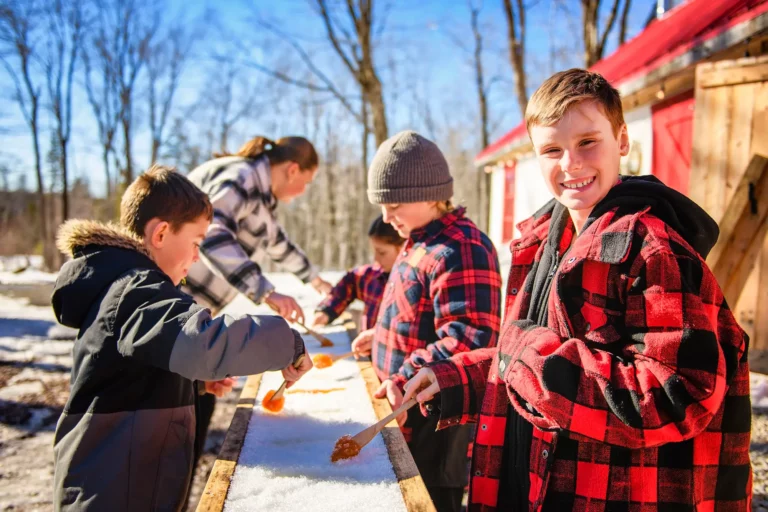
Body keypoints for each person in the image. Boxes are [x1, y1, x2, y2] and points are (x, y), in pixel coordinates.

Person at [403, 69, 752, 511]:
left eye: (588, 141)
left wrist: (528, 353)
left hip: (608, 494)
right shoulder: (544, 239)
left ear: (622, 140)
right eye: (552, 149)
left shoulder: (652, 249)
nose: (570, 163)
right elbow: (528, 357)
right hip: (532, 482)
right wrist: (455, 379)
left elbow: (678, 394)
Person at [51, 165, 312, 511]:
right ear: (160, 234)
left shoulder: (130, 287)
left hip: (129, 484)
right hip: (112, 494)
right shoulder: (137, 290)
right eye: (196, 243)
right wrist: (286, 341)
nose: (195, 257)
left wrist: (193, 386)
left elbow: (132, 378)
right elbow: (199, 342)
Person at [366, 130, 502, 512]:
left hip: (436, 425)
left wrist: (401, 375)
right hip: (404, 412)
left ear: (428, 193)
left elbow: (469, 339)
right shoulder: (420, 240)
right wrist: (379, 335)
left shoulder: (461, 247)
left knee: (430, 502)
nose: (386, 217)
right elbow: (418, 314)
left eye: (393, 204)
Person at [182, 135, 332, 464]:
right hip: (174, 314)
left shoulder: (260, 197)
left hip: (192, 321)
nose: (302, 192)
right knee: (179, 431)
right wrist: (265, 290)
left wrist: (315, 279)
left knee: (196, 416)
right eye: (305, 182)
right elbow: (211, 232)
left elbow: (279, 244)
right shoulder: (241, 177)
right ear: (293, 170)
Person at [311, 214, 404, 333]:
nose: (376, 258)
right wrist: (327, 310)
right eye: (374, 251)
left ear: (403, 248)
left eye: (381, 252)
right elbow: (349, 283)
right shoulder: (373, 276)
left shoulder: (411, 285)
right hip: (365, 349)